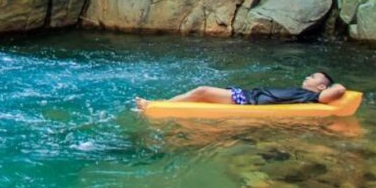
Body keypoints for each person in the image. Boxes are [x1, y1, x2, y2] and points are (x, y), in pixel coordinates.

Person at [134, 71, 347, 111]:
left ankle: (155, 105)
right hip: (248, 95)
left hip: (246, 100)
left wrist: (332, 87)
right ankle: (164, 103)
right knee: (201, 94)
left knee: (202, 91)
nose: (307, 77)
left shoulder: (313, 96)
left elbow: (339, 90)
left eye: (312, 77)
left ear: (321, 86)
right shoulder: (305, 93)